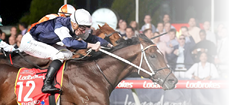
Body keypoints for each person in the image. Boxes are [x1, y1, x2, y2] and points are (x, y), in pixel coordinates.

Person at [19, 9, 111, 93]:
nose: (84, 32)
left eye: (86, 28)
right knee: (59, 55)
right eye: (83, 28)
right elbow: (69, 43)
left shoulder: (76, 27)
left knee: (68, 54)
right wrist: (91, 45)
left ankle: (59, 78)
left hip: (45, 42)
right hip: (30, 41)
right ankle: (46, 84)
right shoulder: (61, 26)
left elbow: (91, 38)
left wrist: (108, 44)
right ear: (74, 24)